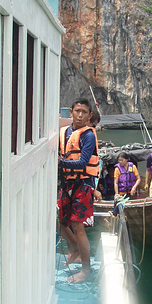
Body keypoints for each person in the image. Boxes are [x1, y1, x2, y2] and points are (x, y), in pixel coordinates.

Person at [58, 98, 99, 283]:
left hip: (83, 183)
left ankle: (86, 270)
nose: (80, 115)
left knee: (78, 226)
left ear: (89, 115)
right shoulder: (64, 133)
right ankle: (74, 247)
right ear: (71, 113)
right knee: (59, 220)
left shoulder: (88, 135)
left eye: (84, 112)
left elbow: (83, 162)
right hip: (67, 183)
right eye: (77, 111)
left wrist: (60, 163)